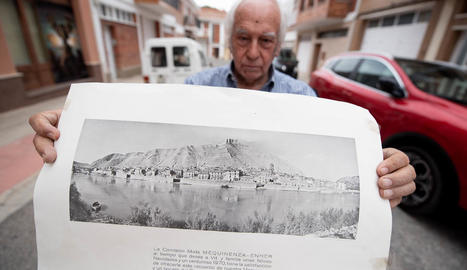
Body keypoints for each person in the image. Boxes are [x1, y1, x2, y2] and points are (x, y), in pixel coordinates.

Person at [29, 0, 415, 209]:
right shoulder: (195, 86)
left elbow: (367, 177)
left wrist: (381, 180)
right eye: (243, 38)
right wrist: (71, 124)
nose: (251, 53)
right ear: (229, 38)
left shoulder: (303, 99)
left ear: (278, 46)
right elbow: (145, 117)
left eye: (265, 41)